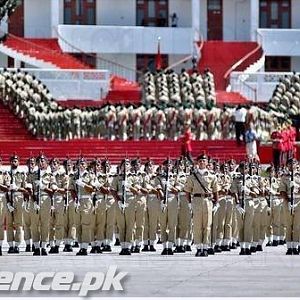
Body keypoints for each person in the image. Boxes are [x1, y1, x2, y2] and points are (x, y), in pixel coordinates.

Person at [184, 153, 219, 257]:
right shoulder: (192, 176)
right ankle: (199, 247)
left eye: (204, 161)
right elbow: (187, 191)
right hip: (196, 200)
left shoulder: (212, 176)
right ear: (197, 163)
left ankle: (205, 247)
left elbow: (216, 190)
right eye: (200, 161)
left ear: (207, 163)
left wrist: (216, 203)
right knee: (197, 225)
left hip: (208, 201)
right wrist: (190, 203)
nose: (202, 163)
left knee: (207, 225)